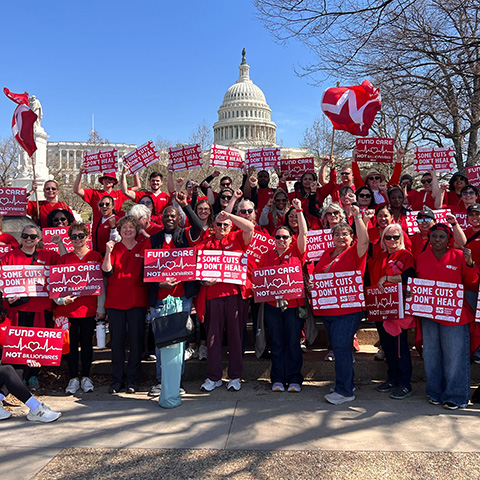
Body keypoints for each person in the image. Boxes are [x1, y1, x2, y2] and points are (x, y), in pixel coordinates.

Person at [146, 192, 203, 408]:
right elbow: (147, 270)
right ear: (161, 219)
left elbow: (199, 227)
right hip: (160, 299)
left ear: (178, 219)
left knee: (178, 342)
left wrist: (185, 206)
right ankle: (162, 381)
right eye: (166, 216)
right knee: (162, 342)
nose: (170, 219)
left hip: (181, 299)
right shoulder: (152, 240)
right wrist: (160, 285)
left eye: (173, 216)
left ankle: (176, 381)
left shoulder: (185, 236)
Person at [415, 223, 478, 409]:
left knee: (454, 356)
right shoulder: (422, 257)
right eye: (434, 236)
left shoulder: (459, 256)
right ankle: (435, 392)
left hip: (455, 316)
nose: (437, 240)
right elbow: (417, 283)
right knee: (432, 355)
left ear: (448, 239)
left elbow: (472, 283)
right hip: (429, 315)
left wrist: (469, 264)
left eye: (441, 236)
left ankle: (456, 396)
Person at [313, 205, 369, 405]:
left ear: (352, 237)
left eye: (345, 234)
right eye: (337, 234)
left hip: (348, 311)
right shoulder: (327, 253)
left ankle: (345, 391)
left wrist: (358, 217)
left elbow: (364, 240)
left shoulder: (356, 252)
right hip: (329, 310)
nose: (340, 238)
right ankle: (345, 383)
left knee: (341, 348)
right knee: (338, 348)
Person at [195, 210, 254, 392]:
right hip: (213, 296)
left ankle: (235, 376)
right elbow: (197, 270)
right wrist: (204, 281)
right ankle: (214, 377)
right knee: (213, 339)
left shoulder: (237, 238)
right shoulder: (204, 244)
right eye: (218, 225)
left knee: (235, 338)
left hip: (235, 296)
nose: (222, 227)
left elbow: (250, 227)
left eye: (225, 225)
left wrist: (229, 216)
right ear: (213, 227)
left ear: (230, 226)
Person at [0, 224, 60, 390]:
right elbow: (3, 281)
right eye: (25, 236)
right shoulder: (10, 257)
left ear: (38, 239)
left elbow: (64, 266)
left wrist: (60, 243)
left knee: (37, 345)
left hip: (40, 308)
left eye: (33, 237)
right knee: (18, 345)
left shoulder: (48, 255)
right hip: (17, 310)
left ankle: (33, 376)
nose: (28, 239)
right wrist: (7, 295)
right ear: (20, 238)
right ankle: (19, 378)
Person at [258, 198, 307, 392]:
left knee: (293, 343)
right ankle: (277, 378)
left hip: (294, 306)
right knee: (277, 342)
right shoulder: (266, 256)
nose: (281, 240)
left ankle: (295, 378)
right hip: (272, 306)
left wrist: (299, 210)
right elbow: (260, 280)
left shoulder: (297, 252)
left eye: (285, 237)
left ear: (290, 239)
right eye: (278, 237)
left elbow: (303, 232)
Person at [54, 222, 105, 395]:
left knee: (86, 345)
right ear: (70, 239)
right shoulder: (64, 258)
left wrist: (101, 307)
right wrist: (62, 301)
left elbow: (101, 285)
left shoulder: (96, 256)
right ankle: (73, 377)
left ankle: (86, 377)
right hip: (68, 310)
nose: (77, 239)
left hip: (89, 309)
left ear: (87, 237)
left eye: (81, 236)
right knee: (71, 345)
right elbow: (56, 285)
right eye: (74, 236)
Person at [368, 224, 415, 399]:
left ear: (401, 238)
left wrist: (387, 277)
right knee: (387, 345)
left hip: (398, 308)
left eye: (396, 237)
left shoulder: (405, 255)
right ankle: (392, 378)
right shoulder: (380, 255)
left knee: (399, 346)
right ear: (383, 239)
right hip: (380, 307)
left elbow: (411, 276)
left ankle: (405, 383)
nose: (392, 241)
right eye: (388, 237)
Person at [102, 216, 147, 394]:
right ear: (119, 231)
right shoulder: (114, 248)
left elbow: (158, 251)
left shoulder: (143, 247)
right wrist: (107, 251)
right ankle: (117, 380)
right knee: (117, 343)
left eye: (131, 227)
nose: (128, 230)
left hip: (137, 302)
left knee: (136, 343)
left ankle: (133, 380)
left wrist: (145, 232)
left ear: (136, 230)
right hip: (115, 303)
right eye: (124, 227)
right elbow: (106, 271)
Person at [74, 168, 138, 225]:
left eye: (110, 178)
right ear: (102, 180)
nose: (107, 180)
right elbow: (77, 190)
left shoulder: (119, 193)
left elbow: (137, 186)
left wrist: (135, 170)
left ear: (114, 181)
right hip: (99, 228)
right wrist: (80, 173)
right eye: (105, 178)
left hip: (116, 228)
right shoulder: (94, 193)